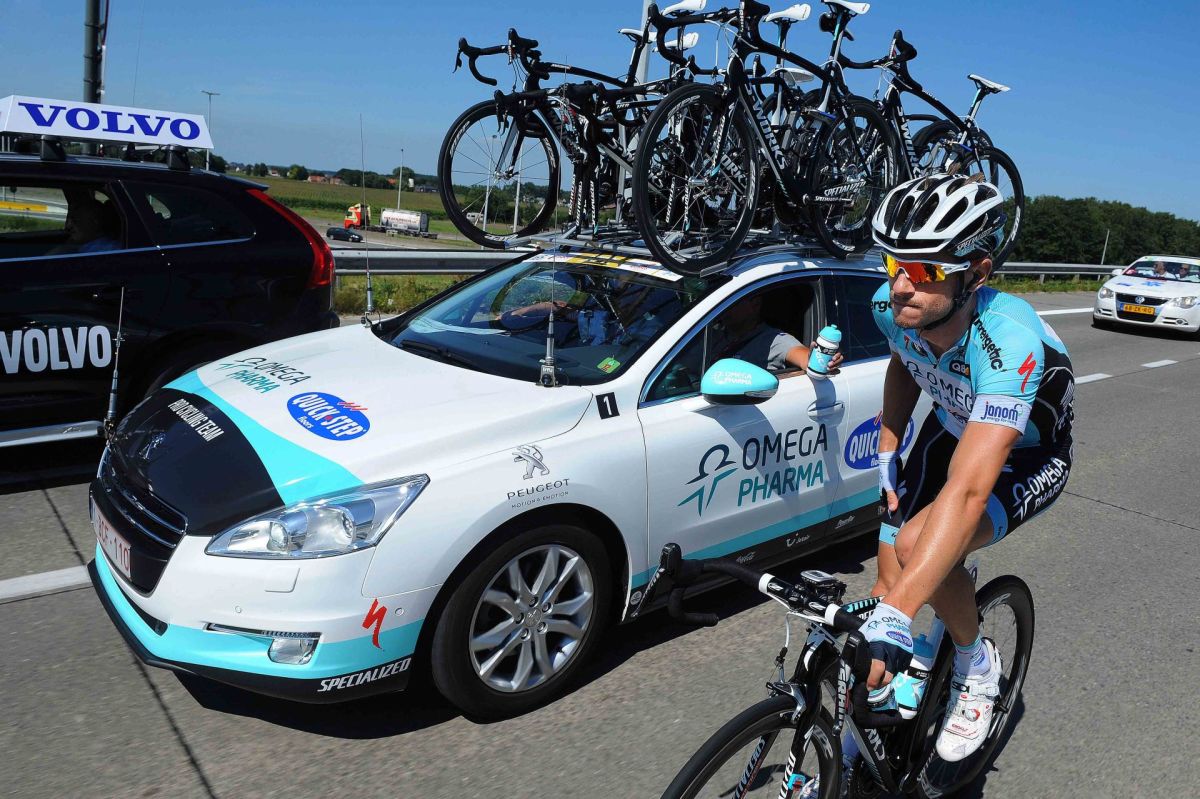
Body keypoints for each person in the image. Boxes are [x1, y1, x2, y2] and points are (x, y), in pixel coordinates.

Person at [859, 172, 1074, 762]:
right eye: (892, 263)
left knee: (917, 550)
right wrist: (889, 446)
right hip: (952, 427)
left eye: (923, 269)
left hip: (1026, 454)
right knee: (885, 582)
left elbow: (971, 488)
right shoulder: (893, 306)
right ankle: (866, 732)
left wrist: (900, 613)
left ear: (976, 273)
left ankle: (977, 664)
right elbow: (905, 362)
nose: (900, 285)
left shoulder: (1008, 341)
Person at [710, 292, 843, 374]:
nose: (724, 306)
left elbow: (806, 359)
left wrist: (824, 359)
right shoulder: (710, 332)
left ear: (755, 304)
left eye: (732, 301)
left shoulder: (775, 340)